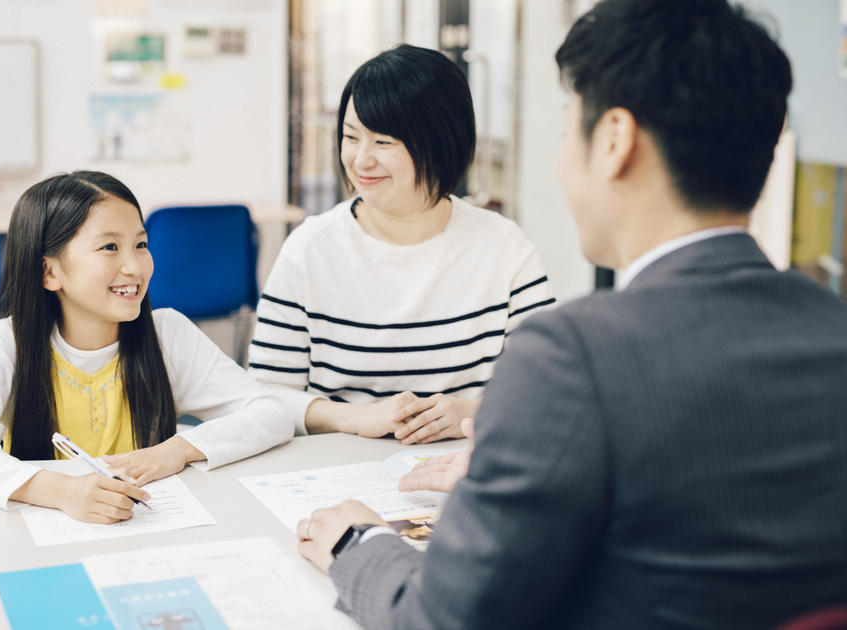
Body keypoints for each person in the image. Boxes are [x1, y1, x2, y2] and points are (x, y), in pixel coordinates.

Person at [295, 1, 847, 628]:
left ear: (613, 141)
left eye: (566, 131)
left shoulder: (574, 358)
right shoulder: (832, 331)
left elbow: (444, 618)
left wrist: (360, 543)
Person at [0, 171, 292, 523]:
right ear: (49, 273)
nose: (135, 266)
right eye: (109, 247)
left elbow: (270, 413)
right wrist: (61, 491)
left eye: (141, 245)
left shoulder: (167, 333)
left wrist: (179, 449)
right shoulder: (10, 342)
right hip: (42, 532)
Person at [249, 44, 554, 444]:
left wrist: (473, 412)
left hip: (464, 466)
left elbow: (550, 387)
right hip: (337, 470)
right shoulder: (310, 249)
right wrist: (354, 417)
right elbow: (265, 395)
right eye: (351, 137)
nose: (361, 160)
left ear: (440, 141)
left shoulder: (504, 247)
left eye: (383, 142)